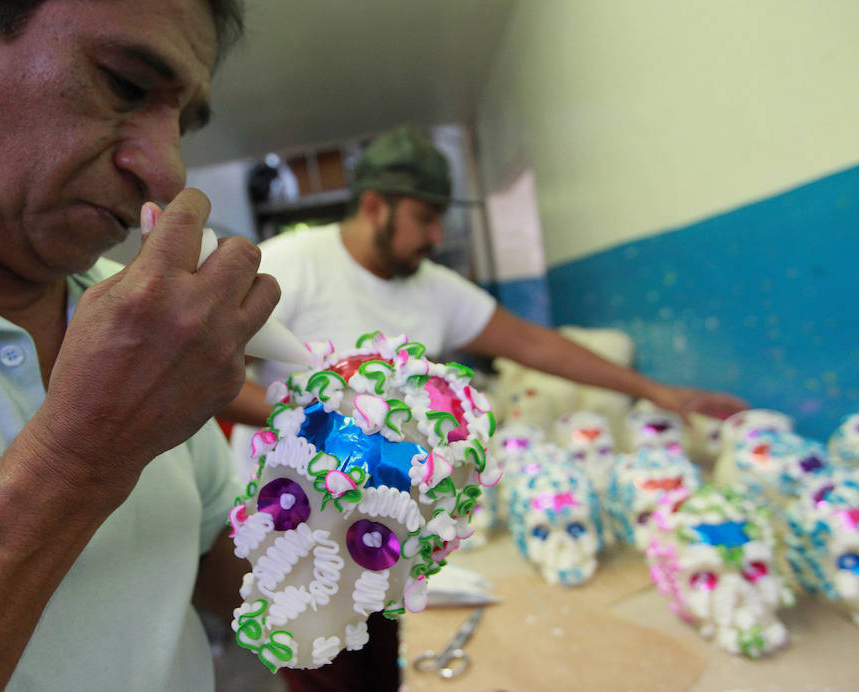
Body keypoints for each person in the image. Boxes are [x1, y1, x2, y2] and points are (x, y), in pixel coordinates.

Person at [223, 125, 749, 692]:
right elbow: (213, 377)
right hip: (296, 524)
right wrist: (325, 433)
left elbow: (537, 345)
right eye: (424, 218)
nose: (435, 234)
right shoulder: (293, 265)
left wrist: (658, 392)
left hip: (387, 528)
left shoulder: (435, 288)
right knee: (323, 671)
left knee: (385, 665)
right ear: (375, 207)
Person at [0, 1, 281, 690]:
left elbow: (216, 572)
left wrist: (352, 519)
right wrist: (82, 458)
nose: (169, 171)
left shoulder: (138, 310)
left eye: (180, 123)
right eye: (123, 84)